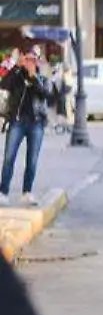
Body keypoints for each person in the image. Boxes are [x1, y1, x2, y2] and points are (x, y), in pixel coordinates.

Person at [0, 50, 58, 206]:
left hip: (36, 123)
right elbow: (4, 84)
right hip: (17, 122)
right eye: (28, 59)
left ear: (37, 61)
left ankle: (27, 193)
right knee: (9, 158)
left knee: (32, 160)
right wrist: (16, 67)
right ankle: (3, 192)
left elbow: (48, 95)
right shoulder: (17, 75)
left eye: (33, 60)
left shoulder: (42, 77)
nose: (30, 63)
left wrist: (34, 77)